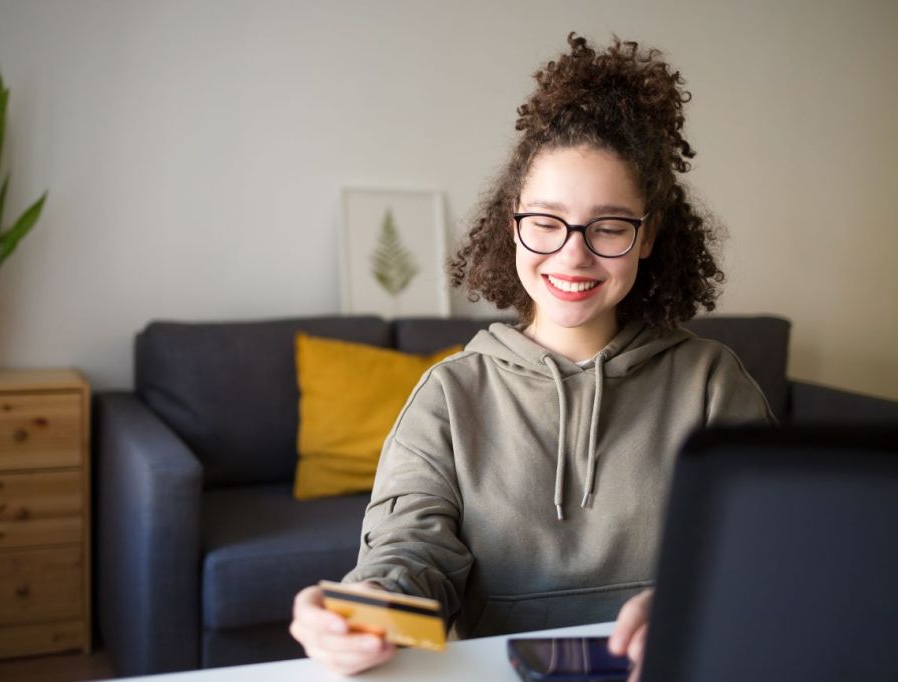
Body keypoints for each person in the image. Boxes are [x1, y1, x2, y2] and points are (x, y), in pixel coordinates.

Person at [290, 33, 774, 676]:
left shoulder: (713, 384)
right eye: (546, 221)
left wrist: (702, 604)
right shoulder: (449, 394)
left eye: (608, 226)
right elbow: (409, 556)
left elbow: (768, 556)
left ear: (648, 236)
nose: (573, 255)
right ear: (511, 219)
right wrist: (366, 607)